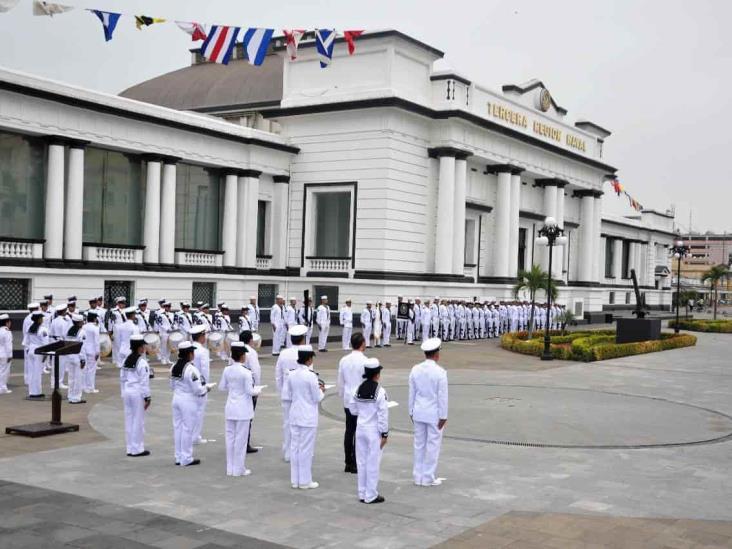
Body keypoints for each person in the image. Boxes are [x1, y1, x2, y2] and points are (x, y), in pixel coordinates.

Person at [409, 337, 448, 487]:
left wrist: (411, 411)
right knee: (433, 445)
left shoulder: (415, 369)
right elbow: (442, 397)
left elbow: (412, 393)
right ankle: (428, 477)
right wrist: (443, 416)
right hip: (434, 414)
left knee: (418, 444)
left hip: (419, 411)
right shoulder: (440, 372)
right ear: (437, 354)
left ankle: (417, 476)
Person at [348, 358, 389, 504]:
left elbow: (352, 409)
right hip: (373, 431)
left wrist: (363, 414)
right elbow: (383, 414)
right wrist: (384, 433)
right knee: (373, 462)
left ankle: (362, 492)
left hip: (360, 428)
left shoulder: (357, 389)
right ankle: (371, 494)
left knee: (361, 461)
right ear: (377, 374)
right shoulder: (380, 391)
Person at [219, 341, 262, 477]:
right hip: (243, 409)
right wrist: (258, 390)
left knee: (230, 438)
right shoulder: (246, 372)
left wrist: (233, 388)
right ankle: (239, 469)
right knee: (241, 440)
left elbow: (222, 387)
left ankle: (230, 468)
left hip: (230, 407)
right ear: (243, 356)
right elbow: (250, 391)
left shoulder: (227, 369)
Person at [287, 345, 324, 489]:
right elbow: (317, 397)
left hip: (295, 414)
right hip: (307, 416)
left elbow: (290, 394)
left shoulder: (292, 374)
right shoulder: (311, 376)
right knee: (306, 449)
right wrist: (322, 391)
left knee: (295, 447)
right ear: (309, 359)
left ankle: (295, 480)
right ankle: (305, 481)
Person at [170, 341, 210, 466]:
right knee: (187, 429)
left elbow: (171, 386)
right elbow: (197, 389)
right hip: (188, 400)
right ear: (190, 354)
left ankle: (178, 456)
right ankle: (186, 457)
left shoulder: (173, 366)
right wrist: (206, 389)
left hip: (176, 398)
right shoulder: (191, 369)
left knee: (178, 428)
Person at [275, 325, 307, 462]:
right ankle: (300, 451)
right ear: (303, 339)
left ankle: (288, 452)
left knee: (288, 423)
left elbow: (278, 375)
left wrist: (281, 391)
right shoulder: (305, 353)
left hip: (287, 393)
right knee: (302, 424)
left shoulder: (284, 353)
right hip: (302, 395)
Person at [336, 332, 367, 473]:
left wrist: (342, 395)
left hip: (348, 399)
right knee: (359, 432)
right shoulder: (365, 361)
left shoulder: (344, 360)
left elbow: (340, 381)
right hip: (360, 400)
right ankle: (355, 462)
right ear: (362, 344)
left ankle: (348, 462)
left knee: (349, 431)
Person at [122, 335, 151, 457]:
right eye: (143, 345)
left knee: (129, 420)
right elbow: (144, 382)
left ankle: (130, 447)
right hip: (137, 392)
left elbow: (122, 378)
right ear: (140, 347)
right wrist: (147, 397)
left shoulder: (126, 360)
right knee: (138, 421)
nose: (144, 347)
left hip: (127, 391)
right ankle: (137, 448)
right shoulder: (142, 362)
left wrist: (123, 393)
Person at [240, 330, 262, 454]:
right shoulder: (251, 352)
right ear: (250, 340)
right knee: (248, 416)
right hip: (249, 387)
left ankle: (240, 442)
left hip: (237, 388)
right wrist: (257, 388)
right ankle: (245, 443)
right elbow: (256, 371)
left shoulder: (236, 350)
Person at [190, 324, 210, 445]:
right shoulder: (203, 351)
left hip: (189, 383)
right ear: (201, 336)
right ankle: (195, 436)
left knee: (191, 411)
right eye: (204, 335)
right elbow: (204, 370)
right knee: (199, 411)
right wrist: (205, 385)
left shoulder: (189, 348)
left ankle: (192, 434)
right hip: (200, 383)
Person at [65, 314, 87, 404]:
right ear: (79, 322)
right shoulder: (82, 332)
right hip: (77, 356)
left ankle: (70, 396)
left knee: (71, 377)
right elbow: (82, 347)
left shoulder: (69, 331)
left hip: (70, 355)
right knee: (78, 378)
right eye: (82, 321)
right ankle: (76, 397)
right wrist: (83, 359)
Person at [25, 312, 48, 398]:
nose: (42, 320)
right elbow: (45, 343)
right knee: (37, 372)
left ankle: (31, 391)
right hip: (38, 351)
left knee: (31, 372)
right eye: (41, 318)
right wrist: (45, 354)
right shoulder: (43, 330)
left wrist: (28, 349)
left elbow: (26, 341)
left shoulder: (29, 328)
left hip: (31, 350)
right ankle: (37, 392)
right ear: (39, 319)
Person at [81, 312, 101, 394]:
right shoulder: (95, 328)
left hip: (84, 349)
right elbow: (96, 341)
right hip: (92, 350)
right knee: (91, 370)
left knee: (84, 369)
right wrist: (97, 352)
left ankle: (84, 387)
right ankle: (91, 387)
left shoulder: (83, 327)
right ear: (94, 319)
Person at [0, 314, 13, 394]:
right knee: (4, 372)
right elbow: (8, 345)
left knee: (1, 371)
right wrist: (9, 355)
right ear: (7, 322)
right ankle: (3, 388)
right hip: (5, 354)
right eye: (9, 322)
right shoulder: (7, 331)